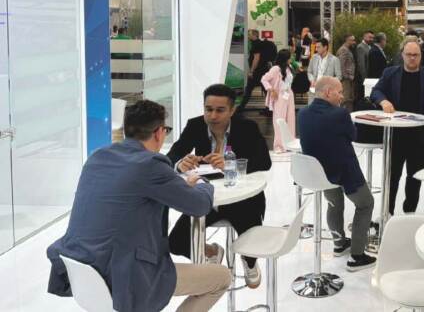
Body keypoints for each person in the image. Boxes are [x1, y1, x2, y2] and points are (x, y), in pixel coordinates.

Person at [47, 100, 231, 312]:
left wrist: (177, 182)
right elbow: (199, 206)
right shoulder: (151, 164)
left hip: (82, 267)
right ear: (159, 133)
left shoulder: (97, 157)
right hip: (124, 276)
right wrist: (202, 183)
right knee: (221, 278)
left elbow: (132, 190)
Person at [167, 84, 272, 289]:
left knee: (250, 241)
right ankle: (212, 251)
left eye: (220, 110)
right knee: (175, 242)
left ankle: (249, 262)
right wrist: (180, 163)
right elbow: (173, 154)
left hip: (243, 198)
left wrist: (231, 164)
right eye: (208, 109)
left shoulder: (247, 127)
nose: (213, 116)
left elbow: (264, 162)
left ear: (232, 110)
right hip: (207, 198)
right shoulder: (195, 125)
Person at [298, 77, 376, 271]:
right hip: (344, 171)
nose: (342, 96)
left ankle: (339, 244)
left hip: (320, 174)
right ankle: (357, 256)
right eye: (339, 92)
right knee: (366, 204)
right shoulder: (340, 114)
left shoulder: (303, 113)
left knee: (334, 203)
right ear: (327, 92)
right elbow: (354, 135)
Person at [370, 41, 424, 214]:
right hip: (395, 135)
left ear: (421, 56)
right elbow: (376, 91)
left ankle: (409, 213)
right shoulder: (390, 73)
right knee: (392, 177)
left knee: (414, 177)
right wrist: (383, 101)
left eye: (415, 55)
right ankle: (387, 213)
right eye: (409, 54)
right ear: (402, 55)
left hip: (420, 135)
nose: (412, 58)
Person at [261, 49, 296, 153]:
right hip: (280, 96)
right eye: (290, 57)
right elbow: (264, 79)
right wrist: (271, 90)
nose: (291, 58)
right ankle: (279, 146)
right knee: (279, 120)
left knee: (290, 120)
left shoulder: (289, 67)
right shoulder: (276, 69)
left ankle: (289, 144)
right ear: (285, 58)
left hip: (289, 95)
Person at [238, 29, 271, 111]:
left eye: (249, 34)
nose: (248, 36)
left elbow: (256, 58)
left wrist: (251, 71)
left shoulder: (256, 44)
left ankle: (241, 107)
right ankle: (269, 108)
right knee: (265, 90)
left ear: (254, 35)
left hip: (258, 71)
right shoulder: (260, 43)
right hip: (263, 70)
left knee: (249, 89)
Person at [336, 34, 357, 111]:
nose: (354, 42)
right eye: (352, 40)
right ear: (347, 40)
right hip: (345, 80)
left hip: (348, 79)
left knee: (349, 99)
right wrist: (347, 76)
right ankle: (344, 116)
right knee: (345, 99)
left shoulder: (346, 49)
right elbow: (341, 65)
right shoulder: (343, 50)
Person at [354, 30, 374, 100]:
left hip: (368, 77)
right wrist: (364, 79)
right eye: (370, 37)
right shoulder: (361, 47)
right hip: (362, 78)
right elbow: (361, 65)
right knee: (362, 97)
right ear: (364, 36)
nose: (371, 39)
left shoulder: (369, 46)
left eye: (372, 38)